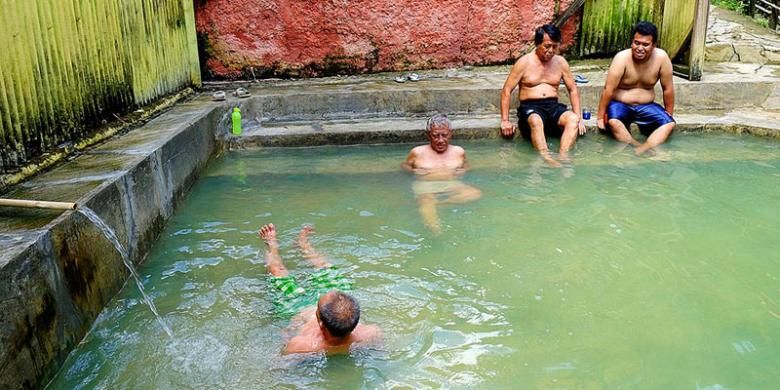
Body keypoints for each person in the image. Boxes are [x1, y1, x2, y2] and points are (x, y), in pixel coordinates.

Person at [258, 223, 381, 354]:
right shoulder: (371, 333)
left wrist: (287, 333)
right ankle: (304, 245)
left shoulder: (304, 345)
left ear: (320, 324)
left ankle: (272, 245)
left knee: (278, 273)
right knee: (325, 268)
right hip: (330, 312)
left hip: (296, 308)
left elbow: (280, 366)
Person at [500, 24, 586, 167]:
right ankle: (546, 157)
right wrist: (505, 120)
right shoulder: (524, 62)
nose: (551, 51)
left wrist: (580, 118)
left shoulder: (561, 62)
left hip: (553, 106)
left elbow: (573, 89)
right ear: (537, 44)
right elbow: (506, 90)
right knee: (535, 120)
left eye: (555, 46)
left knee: (573, 119)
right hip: (530, 107)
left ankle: (563, 157)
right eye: (547, 46)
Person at [597, 21, 675, 156]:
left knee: (669, 124)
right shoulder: (621, 58)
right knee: (614, 122)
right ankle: (638, 146)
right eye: (636, 43)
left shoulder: (661, 58)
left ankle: (643, 149)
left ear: (654, 45)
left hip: (646, 106)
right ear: (631, 42)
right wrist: (599, 117)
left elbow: (667, 88)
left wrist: (669, 112)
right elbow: (608, 89)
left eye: (645, 44)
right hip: (620, 104)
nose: (639, 48)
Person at [402, 114, 482, 234]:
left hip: (452, 184)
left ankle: (442, 204)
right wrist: (413, 171)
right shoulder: (417, 152)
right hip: (426, 186)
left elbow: (466, 165)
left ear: (450, 134)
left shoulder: (458, 151)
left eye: (444, 135)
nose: (440, 140)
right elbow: (405, 166)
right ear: (429, 135)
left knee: (475, 193)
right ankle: (437, 232)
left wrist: (464, 170)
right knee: (427, 202)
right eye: (435, 136)